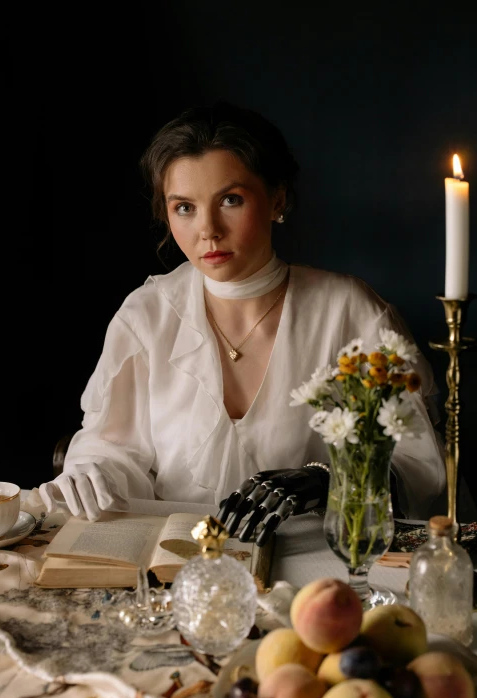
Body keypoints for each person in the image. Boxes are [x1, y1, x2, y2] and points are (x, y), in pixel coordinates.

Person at [38, 101, 450, 537]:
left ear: (278, 199)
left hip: (313, 568)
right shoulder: (147, 316)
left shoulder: (347, 311)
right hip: (175, 564)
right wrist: (93, 471)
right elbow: (116, 452)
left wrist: (330, 481)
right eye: (184, 208)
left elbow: (418, 467)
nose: (208, 230)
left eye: (230, 200)